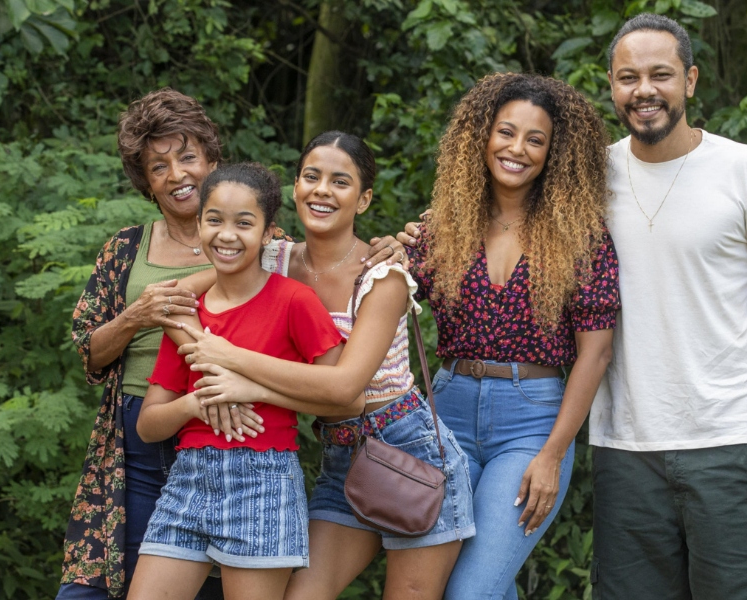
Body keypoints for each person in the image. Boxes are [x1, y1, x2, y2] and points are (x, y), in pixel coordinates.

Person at [166, 131, 475, 599]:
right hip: (340, 457)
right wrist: (212, 371)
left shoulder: (383, 276)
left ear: (364, 198)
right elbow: (170, 304)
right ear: (295, 187)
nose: (322, 190)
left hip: (412, 452)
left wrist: (234, 367)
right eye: (311, 176)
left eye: (340, 181)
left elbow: (344, 388)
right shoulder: (271, 258)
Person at [590, 13, 747, 600]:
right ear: (612, 87)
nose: (644, 90)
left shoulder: (744, 170)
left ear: (690, 80)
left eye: (660, 74)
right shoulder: (591, 177)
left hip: (731, 441)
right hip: (624, 445)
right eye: (628, 77)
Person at [400, 73, 619, 599]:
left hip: (533, 421)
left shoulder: (581, 236)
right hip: (445, 412)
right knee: (458, 585)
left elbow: (596, 352)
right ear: (481, 137)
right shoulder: (440, 228)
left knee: (471, 592)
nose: (516, 149)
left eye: (535, 139)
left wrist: (552, 453)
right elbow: (381, 299)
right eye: (505, 132)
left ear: (553, 153)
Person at [128, 162, 346, 600]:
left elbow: (340, 395)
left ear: (268, 233)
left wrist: (252, 387)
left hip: (263, 482)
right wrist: (196, 402)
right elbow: (148, 425)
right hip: (186, 481)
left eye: (244, 223)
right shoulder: (188, 317)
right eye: (214, 220)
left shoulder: (294, 301)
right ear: (201, 223)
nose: (227, 235)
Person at [59, 88, 225, 600]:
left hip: (220, 434)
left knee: (205, 586)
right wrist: (135, 315)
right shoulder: (126, 247)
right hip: (133, 442)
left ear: (212, 161)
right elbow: (89, 351)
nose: (177, 175)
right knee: (93, 589)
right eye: (159, 167)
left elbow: (325, 278)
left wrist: (385, 247)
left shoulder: (257, 238)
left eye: (188, 157)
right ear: (145, 183)